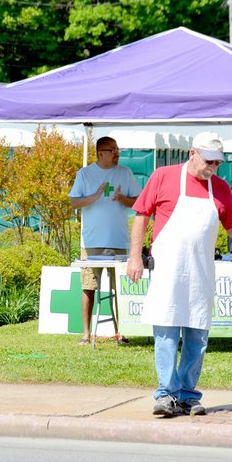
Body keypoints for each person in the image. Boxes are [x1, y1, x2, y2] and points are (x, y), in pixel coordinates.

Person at [126, 132, 232, 417]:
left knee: (197, 338)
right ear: (193, 154)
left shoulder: (221, 188)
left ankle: (189, 395)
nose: (214, 167)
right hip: (169, 270)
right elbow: (141, 214)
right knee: (166, 333)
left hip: (201, 272)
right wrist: (134, 257)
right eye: (210, 161)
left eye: (218, 163)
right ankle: (166, 394)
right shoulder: (163, 176)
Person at [69, 136, 142, 345]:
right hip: (92, 242)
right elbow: (74, 202)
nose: (117, 152)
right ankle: (85, 333)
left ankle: (121, 331)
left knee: (119, 287)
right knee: (89, 286)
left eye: (117, 149)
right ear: (101, 153)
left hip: (119, 240)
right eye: (113, 149)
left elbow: (138, 201)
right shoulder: (85, 174)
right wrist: (94, 196)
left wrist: (121, 198)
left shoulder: (125, 173)